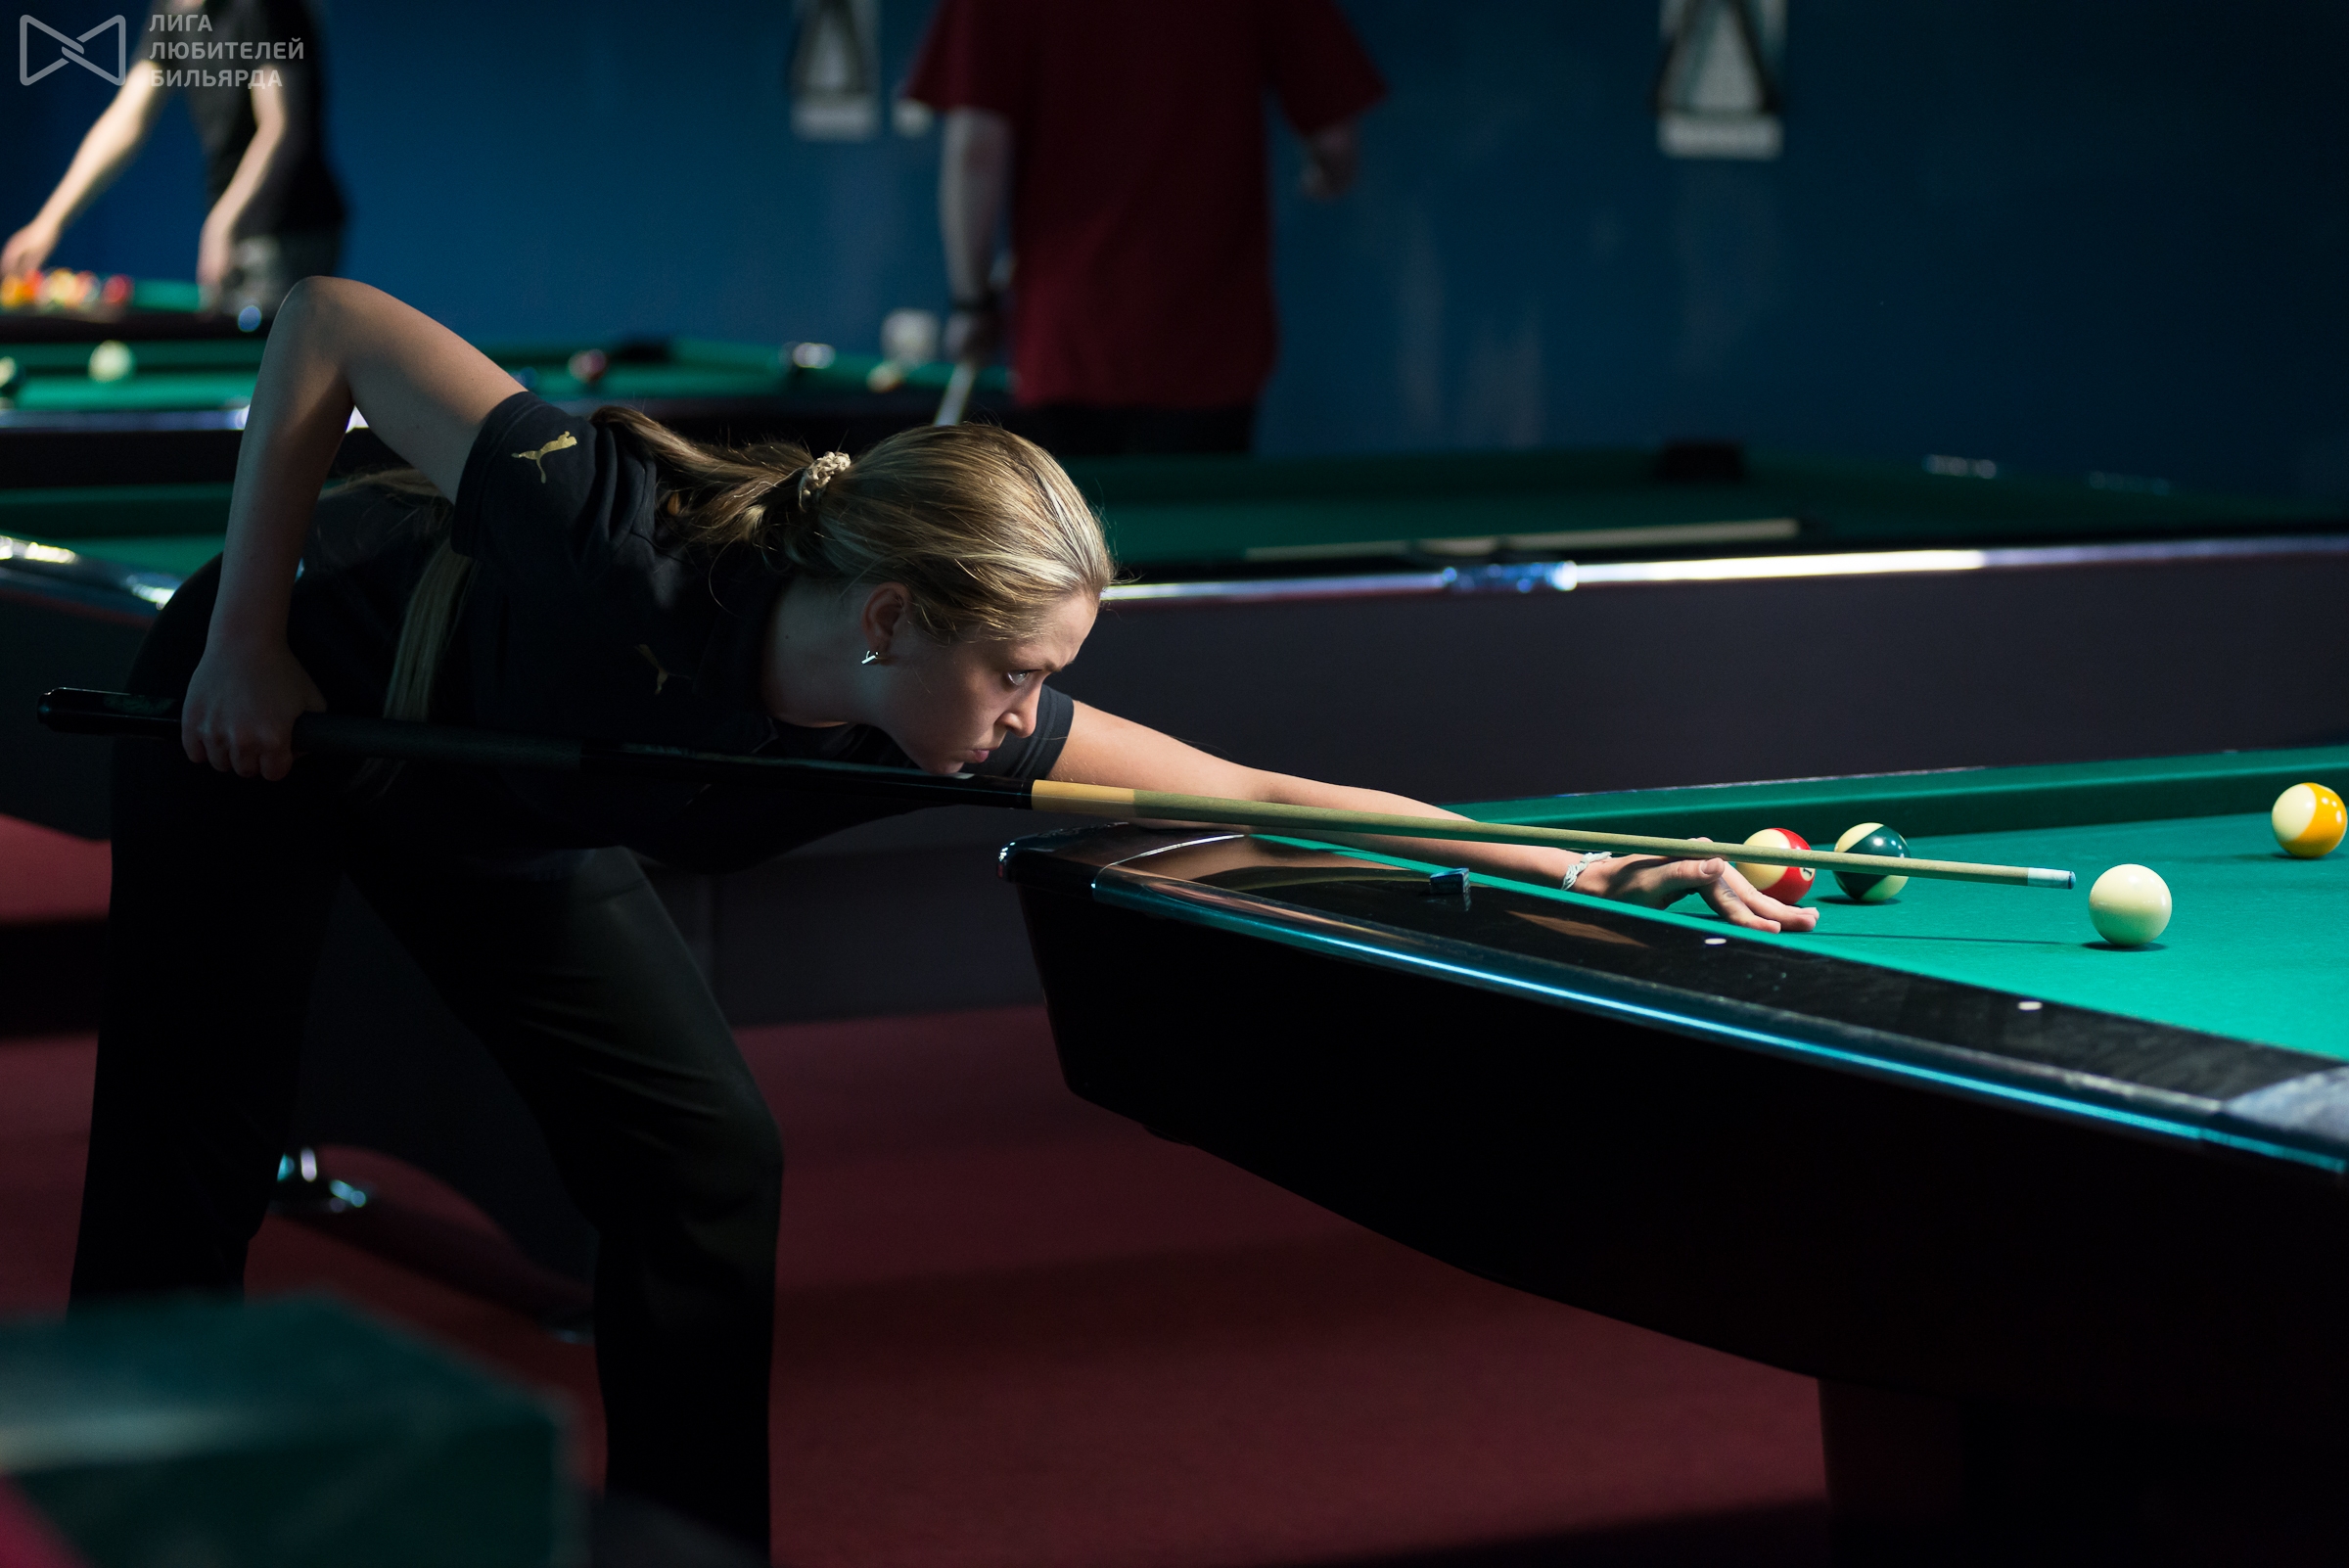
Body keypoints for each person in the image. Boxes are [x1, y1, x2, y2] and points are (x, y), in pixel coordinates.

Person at [78, 276, 1816, 1555]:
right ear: (894, 617)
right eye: (1017, 674)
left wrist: (1576, 865)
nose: (1028, 719)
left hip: (509, 804)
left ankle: (694, 1551)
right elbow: (325, 323)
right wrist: (244, 641)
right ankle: (100, 1514)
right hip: (280, 716)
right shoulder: (615, 535)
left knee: (703, 1160)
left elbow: (1253, 788)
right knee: (192, 1140)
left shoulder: (931, 711)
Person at [904, 1, 1385, 457]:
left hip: (1066, 338)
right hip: (1210, 340)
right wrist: (1325, 173)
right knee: (1194, 514)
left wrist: (973, 304)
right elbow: (1335, 141)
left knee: (1066, 517)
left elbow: (975, 150)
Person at [3, 0, 345, 321]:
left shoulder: (263, 7)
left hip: (291, 233)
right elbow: (127, 120)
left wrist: (224, 223)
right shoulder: (172, 10)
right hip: (237, 230)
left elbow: (282, 129)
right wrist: (49, 222)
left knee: (266, 356)